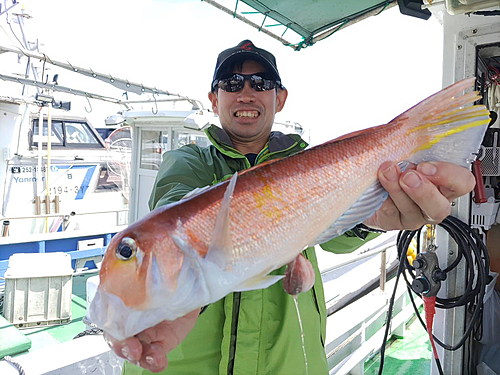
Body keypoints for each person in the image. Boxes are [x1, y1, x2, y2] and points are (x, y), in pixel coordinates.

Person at [106, 40, 476, 374]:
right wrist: (178, 294)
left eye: (261, 83)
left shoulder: (308, 160)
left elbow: (336, 237)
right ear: (213, 99)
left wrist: (372, 217)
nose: (246, 92)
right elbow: (174, 208)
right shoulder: (187, 162)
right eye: (232, 84)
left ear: (279, 98)